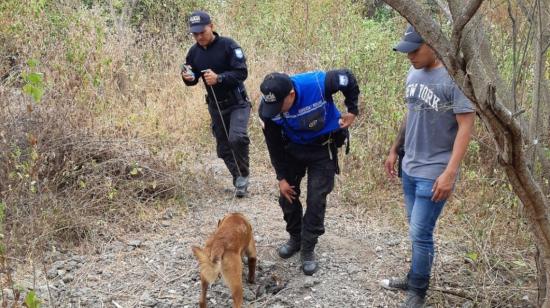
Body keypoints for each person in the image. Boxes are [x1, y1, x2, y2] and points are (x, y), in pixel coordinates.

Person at [381, 24, 475, 307]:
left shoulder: (452, 78)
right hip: (410, 167)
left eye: (415, 50)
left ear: (433, 43)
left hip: (435, 171)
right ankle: (414, 277)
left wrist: (450, 172)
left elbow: (466, 125)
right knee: (416, 229)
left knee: (420, 233)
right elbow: (411, 114)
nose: (409, 56)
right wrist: (395, 149)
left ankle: (418, 291)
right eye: (406, 51)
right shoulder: (413, 73)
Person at [258, 70, 359, 275]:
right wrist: (281, 178)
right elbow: (273, 144)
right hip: (293, 149)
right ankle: (295, 237)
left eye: (279, 106)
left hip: (323, 148)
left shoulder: (319, 84)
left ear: (292, 94)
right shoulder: (269, 108)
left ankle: (308, 247)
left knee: (316, 198)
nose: (276, 111)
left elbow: (348, 78)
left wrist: (352, 109)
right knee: (287, 195)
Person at [181, 10, 251, 197]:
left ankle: (244, 173)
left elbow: (242, 73)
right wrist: (187, 77)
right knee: (222, 148)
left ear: (211, 26)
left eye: (202, 32)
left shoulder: (229, 45)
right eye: (194, 34)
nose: (199, 36)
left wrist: (219, 78)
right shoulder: (193, 52)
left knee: (237, 138)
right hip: (215, 106)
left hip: (237, 103)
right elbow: (192, 78)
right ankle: (238, 178)